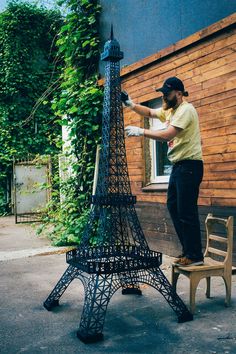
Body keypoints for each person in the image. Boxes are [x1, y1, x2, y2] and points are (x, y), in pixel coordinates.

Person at [121, 77, 204, 267]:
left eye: (167, 94)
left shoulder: (185, 110)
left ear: (179, 94)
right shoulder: (171, 110)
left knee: (186, 211)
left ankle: (195, 256)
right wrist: (131, 104)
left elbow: (167, 134)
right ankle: (189, 251)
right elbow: (150, 112)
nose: (164, 97)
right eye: (162, 94)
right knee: (174, 207)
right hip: (179, 167)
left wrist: (141, 132)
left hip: (190, 166)